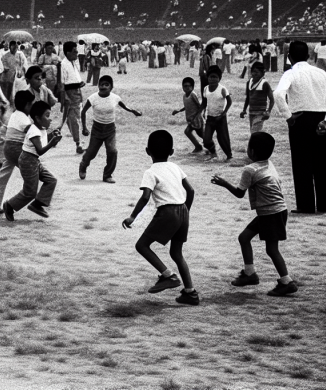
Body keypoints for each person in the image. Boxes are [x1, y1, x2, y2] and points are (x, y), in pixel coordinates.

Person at [210, 131, 298, 297]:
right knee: (244, 238)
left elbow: (239, 193)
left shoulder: (250, 170)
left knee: (272, 250)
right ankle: (250, 273)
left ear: (252, 151)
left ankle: (287, 282)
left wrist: (223, 183)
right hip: (275, 211)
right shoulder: (268, 164)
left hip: (270, 213)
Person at [122, 130, 200, 306]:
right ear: (171, 151)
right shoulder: (175, 167)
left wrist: (132, 216)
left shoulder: (150, 172)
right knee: (176, 252)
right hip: (183, 210)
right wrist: (186, 210)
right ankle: (190, 292)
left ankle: (169, 276)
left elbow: (145, 197)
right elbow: (191, 190)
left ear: (147, 151)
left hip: (167, 212)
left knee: (141, 245)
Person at [273, 40, 326, 214]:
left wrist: (288, 116)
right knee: (319, 163)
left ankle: (306, 204)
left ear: (289, 57)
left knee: (301, 163)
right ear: (309, 55)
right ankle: (322, 205)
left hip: (300, 119)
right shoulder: (320, 73)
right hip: (319, 118)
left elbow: (279, 94)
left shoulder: (290, 73)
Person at [3, 101, 61, 221]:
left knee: (51, 180)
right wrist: (52, 142)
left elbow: (41, 142)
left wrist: (51, 136)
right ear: (38, 118)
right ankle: (9, 205)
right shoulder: (34, 131)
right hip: (27, 161)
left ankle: (38, 204)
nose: (50, 119)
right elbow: (40, 150)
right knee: (30, 192)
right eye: (47, 116)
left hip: (33, 161)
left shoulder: (41, 129)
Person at [79, 75, 142, 184]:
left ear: (111, 87)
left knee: (112, 151)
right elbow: (83, 111)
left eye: (106, 85)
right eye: (101, 84)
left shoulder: (115, 98)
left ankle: (107, 175)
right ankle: (83, 165)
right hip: (97, 129)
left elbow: (125, 106)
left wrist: (133, 111)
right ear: (98, 86)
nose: (103, 87)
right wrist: (84, 127)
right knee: (91, 152)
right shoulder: (93, 98)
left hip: (110, 130)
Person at [0, 91, 35, 215]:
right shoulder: (22, 118)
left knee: (4, 173)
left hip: (11, 145)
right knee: (37, 173)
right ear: (27, 105)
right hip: (14, 146)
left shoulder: (18, 115)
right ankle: (35, 201)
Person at [57, 41, 86, 155]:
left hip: (77, 91)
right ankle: (78, 143)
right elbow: (61, 83)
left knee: (76, 116)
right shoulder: (63, 64)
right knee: (73, 118)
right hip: (70, 93)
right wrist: (64, 97)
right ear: (68, 52)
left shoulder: (72, 62)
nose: (77, 54)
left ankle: (78, 141)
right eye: (74, 52)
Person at [199, 66, 233, 160]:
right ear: (207, 77)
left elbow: (229, 101)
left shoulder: (222, 89)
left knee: (223, 138)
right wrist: (200, 112)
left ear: (219, 78)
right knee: (206, 140)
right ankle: (213, 153)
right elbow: (204, 102)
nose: (213, 79)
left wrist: (224, 113)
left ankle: (229, 155)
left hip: (220, 118)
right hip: (210, 118)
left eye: (215, 77)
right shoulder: (205, 89)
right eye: (211, 77)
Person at [171, 77, 204, 153]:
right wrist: (178, 111)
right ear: (182, 87)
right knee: (188, 132)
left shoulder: (193, 95)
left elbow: (199, 106)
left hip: (196, 119)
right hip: (190, 119)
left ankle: (209, 147)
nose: (187, 88)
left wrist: (197, 116)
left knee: (200, 134)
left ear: (192, 87)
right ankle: (198, 146)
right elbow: (187, 106)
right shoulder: (184, 96)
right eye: (185, 86)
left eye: (189, 86)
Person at [240, 62, 274, 134]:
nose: (254, 74)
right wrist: (244, 110)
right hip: (251, 112)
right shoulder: (249, 83)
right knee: (254, 132)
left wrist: (268, 111)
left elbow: (272, 99)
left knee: (254, 132)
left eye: (257, 72)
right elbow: (248, 98)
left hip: (260, 113)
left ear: (262, 73)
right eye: (253, 72)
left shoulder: (264, 84)